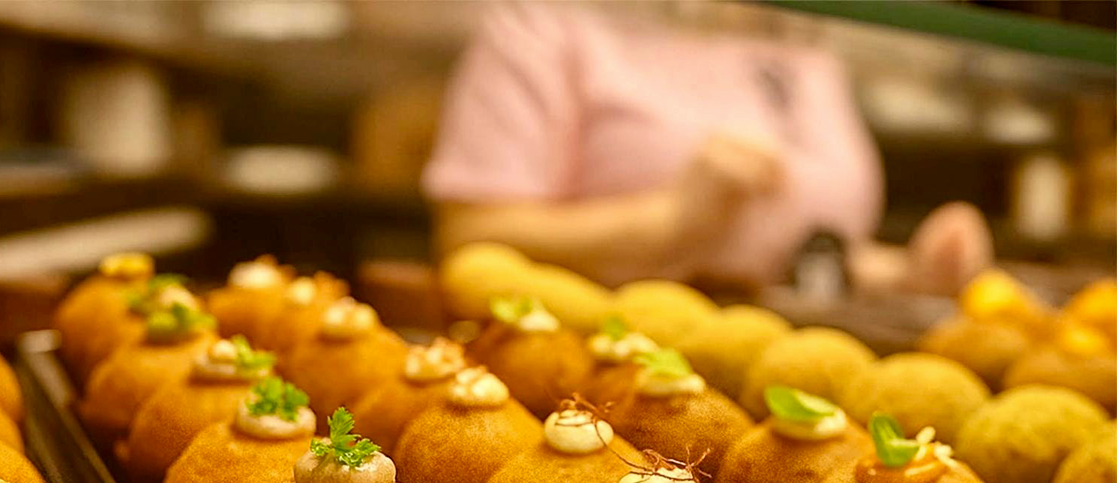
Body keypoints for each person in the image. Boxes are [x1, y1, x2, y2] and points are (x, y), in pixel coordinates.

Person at [423, 2, 990, 293]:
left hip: (799, 380)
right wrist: (665, 222)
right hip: (596, 391)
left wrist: (903, 273)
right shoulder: (548, 18)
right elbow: (469, 238)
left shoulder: (799, 34)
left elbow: (781, 246)